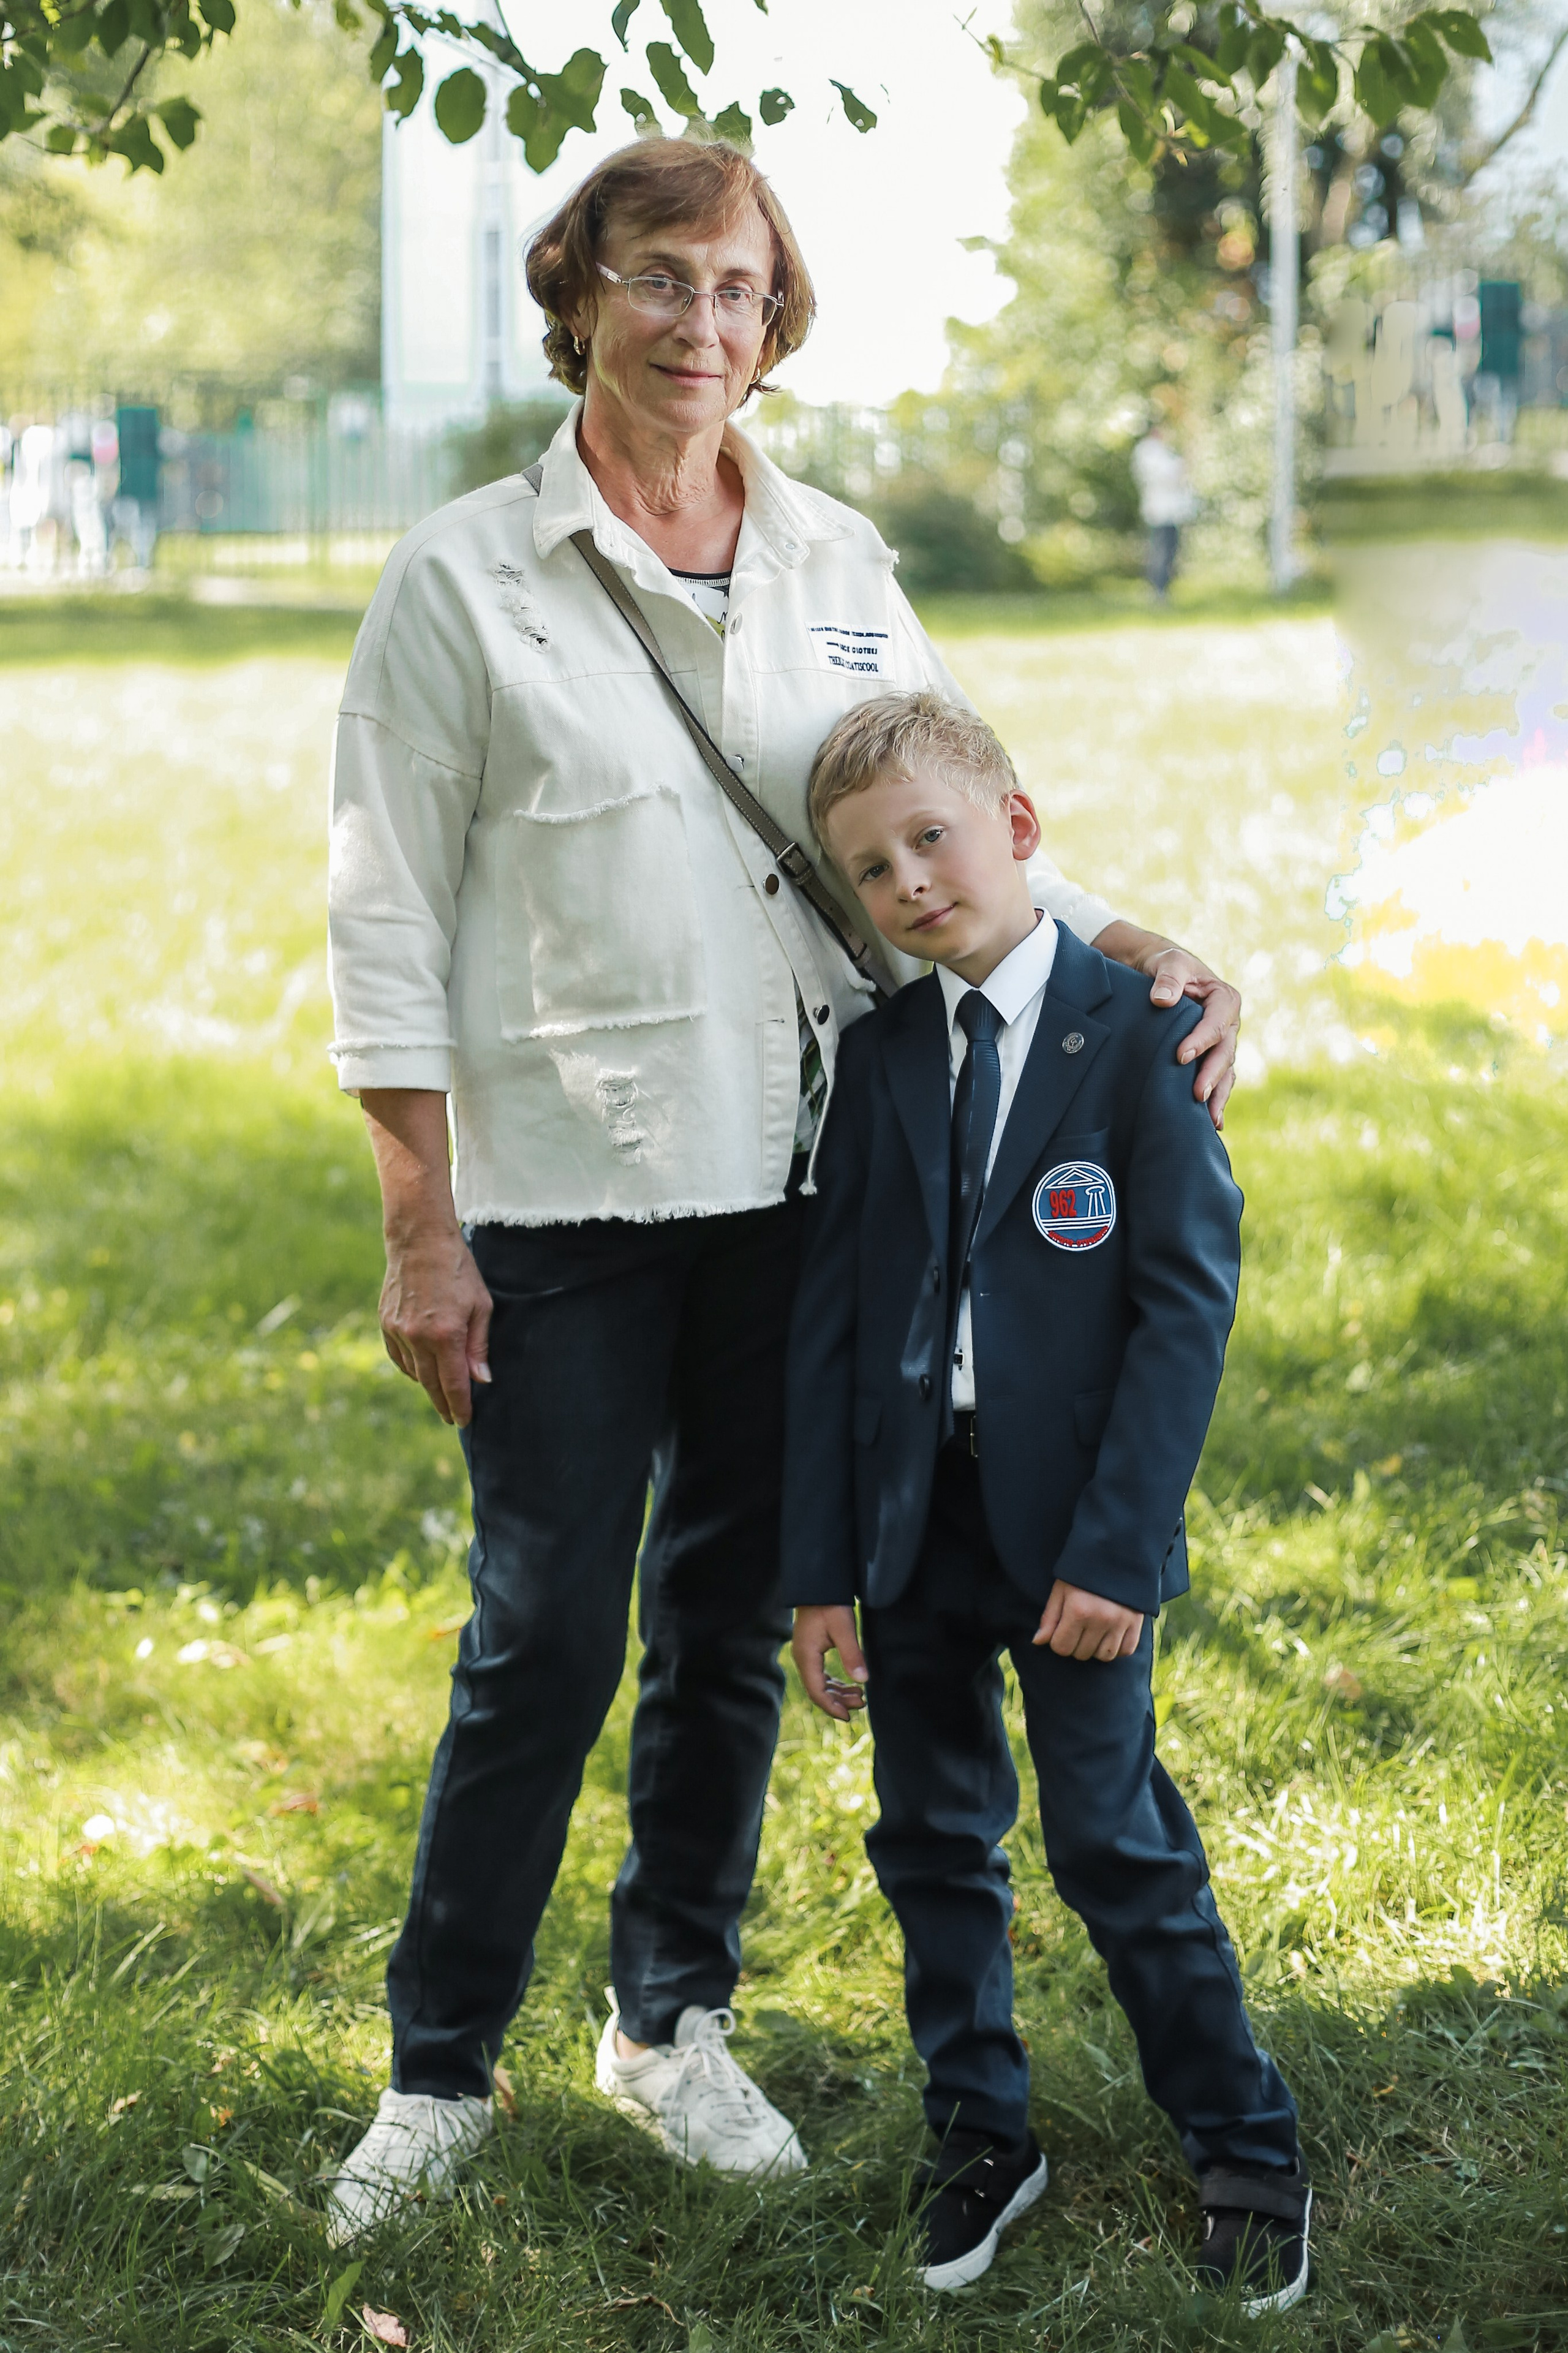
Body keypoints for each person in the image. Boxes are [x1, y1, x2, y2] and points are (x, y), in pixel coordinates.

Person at [323, 136, 1247, 2243]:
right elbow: (384, 921)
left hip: (818, 1185)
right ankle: (439, 2069)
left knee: (726, 1622)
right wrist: (419, 1218)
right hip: (561, 1188)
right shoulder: (464, 578)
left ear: (775, 316)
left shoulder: (834, 558)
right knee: (542, 1635)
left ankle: (670, 2021)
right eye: (661, 282)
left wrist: (1129, 947)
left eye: (738, 289)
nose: (702, 326)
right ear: (580, 297)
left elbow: (936, 804)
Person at [784, 692, 1308, 2310]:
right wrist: (821, 1568)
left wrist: (1121, 1551)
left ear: (1018, 830)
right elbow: (832, 1328)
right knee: (932, 1839)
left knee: (1112, 1843)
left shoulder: (1141, 1042)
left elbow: (1181, 1319)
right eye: (873, 871)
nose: (911, 884)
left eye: (931, 840)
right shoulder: (875, 1063)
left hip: (1078, 1534)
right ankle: (981, 2133)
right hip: (910, 1530)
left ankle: (1245, 2149)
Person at [1131, 420, 1194, 601]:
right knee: (1161, 552)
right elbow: (1166, 476)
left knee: (1169, 551)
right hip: (1160, 511)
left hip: (1169, 511)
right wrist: (1182, 466)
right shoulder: (1149, 451)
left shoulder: (1159, 451)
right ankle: (1158, 590)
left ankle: (1162, 589)